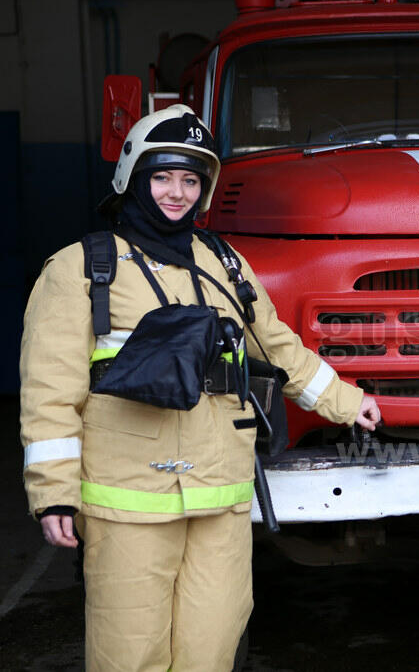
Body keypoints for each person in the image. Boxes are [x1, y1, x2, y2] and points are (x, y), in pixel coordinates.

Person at [20, 104, 381, 671]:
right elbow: (49, 392)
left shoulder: (224, 263)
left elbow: (275, 346)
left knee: (211, 649)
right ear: (134, 178)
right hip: (126, 502)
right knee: (129, 654)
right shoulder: (82, 269)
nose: (176, 193)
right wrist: (54, 493)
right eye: (162, 177)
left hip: (220, 495)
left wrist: (347, 401)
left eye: (190, 180)